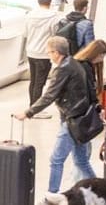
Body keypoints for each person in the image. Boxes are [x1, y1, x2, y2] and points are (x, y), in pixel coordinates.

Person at [14, 36, 97, 192]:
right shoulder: (74, 63)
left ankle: (51, 195)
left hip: (72, 121)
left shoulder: (63, 69)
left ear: (56, 52)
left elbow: (49, 95)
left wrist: (28, 112)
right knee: (81, 161)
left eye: (49, 52)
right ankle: (102, 190)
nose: (49, 55)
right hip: (81, 118)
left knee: (56, 160)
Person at [23, 0, 61, 117]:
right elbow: (55, 34)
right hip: (44, 54)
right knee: (40, 82)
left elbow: (25, 34)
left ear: (38, 1)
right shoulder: (53, 17)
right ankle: (35, 111)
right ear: (50, 2)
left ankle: (31, 106)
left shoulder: (29, 15)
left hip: (31, 52)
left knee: (33, 81)